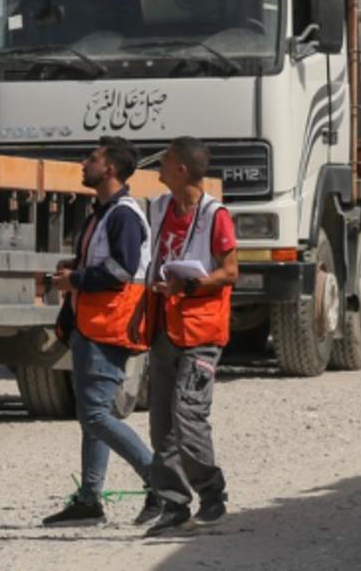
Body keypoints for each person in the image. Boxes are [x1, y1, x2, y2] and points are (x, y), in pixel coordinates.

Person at [44, 135, 162, 527]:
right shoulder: (102, 213)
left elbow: (121, 271)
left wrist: (75, 279)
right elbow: (103, 263)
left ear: (110, 168)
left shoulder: (123, 214)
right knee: (91, 413)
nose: (84, 163)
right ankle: (90, 500)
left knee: (95, 415)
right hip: (93, 323)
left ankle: (160, 482)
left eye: (91, 158)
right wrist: (72, 271)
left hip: (108, 325)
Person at [143, 135, 237, 535]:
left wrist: (191, 287)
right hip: (165, 327)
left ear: (181, 169)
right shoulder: (160, 208)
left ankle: (211, 492)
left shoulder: (216, 215)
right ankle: (174, 503)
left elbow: (231, 272)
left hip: (201, 331)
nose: (159, 168)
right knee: (161, 422)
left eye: (164, 161)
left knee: (188, 414)